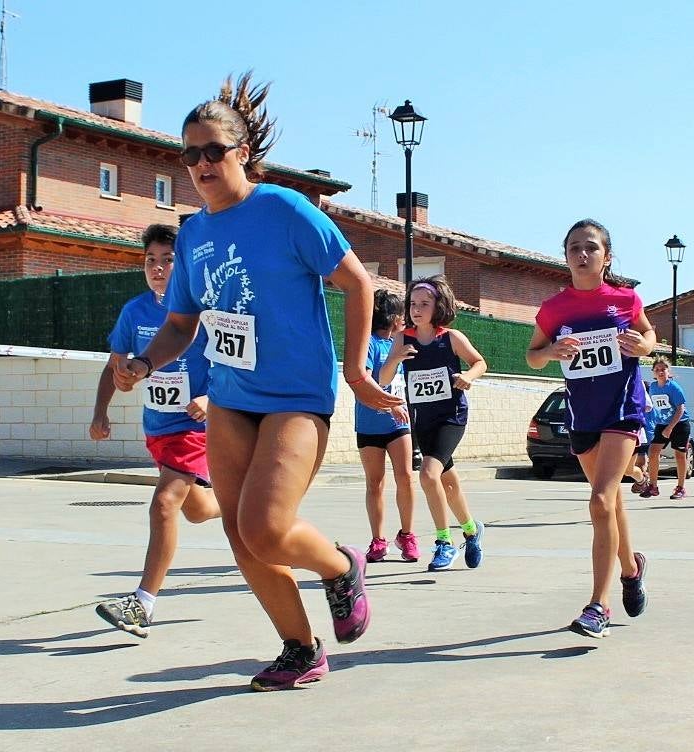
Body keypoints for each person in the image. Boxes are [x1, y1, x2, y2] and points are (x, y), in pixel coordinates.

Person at [113, 73, 400, 691]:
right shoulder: (193, 235)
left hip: (297, 397)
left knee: (268, 525)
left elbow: (358, 283)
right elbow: (182, 323)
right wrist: (144, 364)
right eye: (190, 154)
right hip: (231, 397)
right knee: (241, 534)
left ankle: (340, 564)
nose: (200, 164)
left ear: (241, 153)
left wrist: (354, 370)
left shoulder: (285, 209)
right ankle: (301, 648)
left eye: (213, 150)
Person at [90, 223, 220, 638]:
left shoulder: (202, 310)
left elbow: (234, 359)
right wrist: (101, 411)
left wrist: (211, 399)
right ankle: (238, 504)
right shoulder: (135, 311)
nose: (158, 267)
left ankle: (142, 603)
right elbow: (117, 364)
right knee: (197, 510)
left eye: (167, 259)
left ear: (182, 264)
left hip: (194, 426)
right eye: (150, 260)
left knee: (164, 503)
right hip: (157, 426)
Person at [526, 218, 654, 638]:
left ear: (606, 257)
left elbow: (649, 335)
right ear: (566, 257)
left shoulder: (625, 299)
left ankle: (599, 606)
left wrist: (644, 345)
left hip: (622, 408)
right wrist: (551, 351)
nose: (583, 254)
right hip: (582, 414)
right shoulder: (553, 308)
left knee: (600, 500)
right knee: (611, 502)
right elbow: (532, 356)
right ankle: (632, 569)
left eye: (591, 248)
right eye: (575, 248)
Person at [381, 275, 487, 572]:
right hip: (422, 419)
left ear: (438, 306)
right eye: (413, 304)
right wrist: (395, 359)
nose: (417, 309)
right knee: (448, 483)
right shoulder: (403, 338)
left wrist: (468, 377)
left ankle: (444, 542)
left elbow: (479, 362)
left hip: (451, 417)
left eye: (424, 304)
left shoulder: (450, 338)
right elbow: (384, 380)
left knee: (429, 475)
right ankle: (470, 530)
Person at [356, 289, 419, 563]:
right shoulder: (369, 344)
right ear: (393, 317)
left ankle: (407, 535)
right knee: (375, 483)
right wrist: (388, 403)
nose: (405, 319)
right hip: (370, 424)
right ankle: (378, 540)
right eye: (402, 314)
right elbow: (365, 379)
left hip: (398, 425)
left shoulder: (402, 342)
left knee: (405, 476)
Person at [646, 357, 692, 499]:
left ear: (668, 371)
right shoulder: (653, 387)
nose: (660, 372)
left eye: (663, 369)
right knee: (653, 452)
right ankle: (653, 486)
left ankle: (681, 488)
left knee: (679, 454)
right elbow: (654, 407)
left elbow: (680, 409)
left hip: (679, 423)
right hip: (662, 424)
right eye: (657, 370)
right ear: (653, 372)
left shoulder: (673, 387)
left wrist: (670, 427)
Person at [629, 386, 654, 494]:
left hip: (641, 435)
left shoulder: (645, 404)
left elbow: (649, 408)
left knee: (639, 465)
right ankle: (642, 483)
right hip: (642, 434)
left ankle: (643, 484)